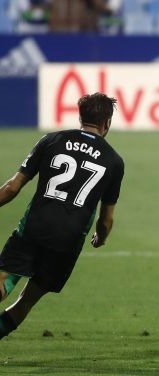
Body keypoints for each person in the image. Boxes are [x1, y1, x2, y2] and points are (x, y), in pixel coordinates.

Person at [0, 92, 124, 340]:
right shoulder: (114, 160)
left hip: (35, 227)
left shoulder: (52, 140)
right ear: (107, 123)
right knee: (27, 300)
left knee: (4, 278)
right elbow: (106, 219)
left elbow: (13, 187)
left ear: (80, 117)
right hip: (68, 241)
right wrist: (100, 237)